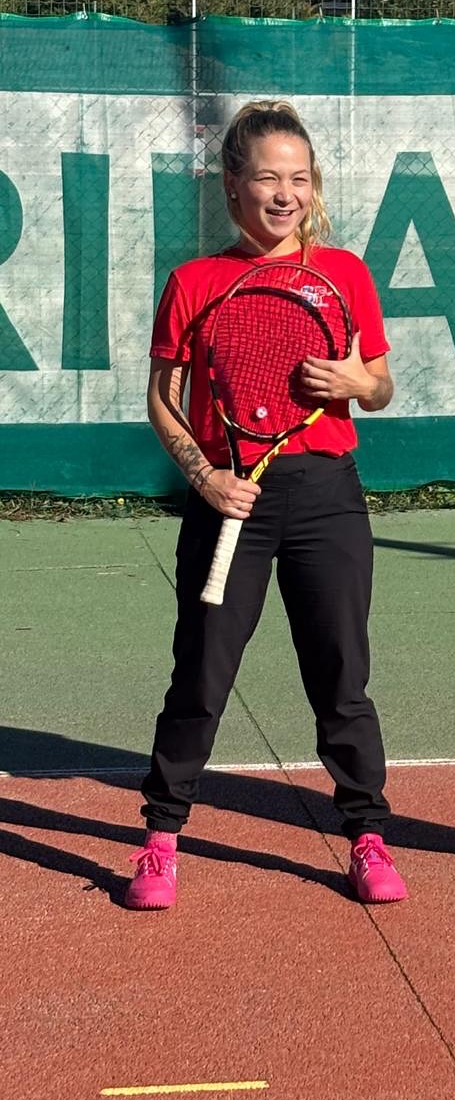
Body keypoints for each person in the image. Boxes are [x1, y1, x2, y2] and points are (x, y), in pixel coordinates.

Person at [124, 100, 406, 911]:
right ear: (233, 185)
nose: (285, 194)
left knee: (342, 677)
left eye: (299, 177)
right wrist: (203, 477)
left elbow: (378, 386)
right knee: (201, 677)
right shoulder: (194, 282)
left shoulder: (344, 273)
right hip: (226, 500)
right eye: (268, 178)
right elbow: (161, 399)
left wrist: (360, 384)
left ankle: (367, 835)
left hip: (327, 498)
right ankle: (161, 840)